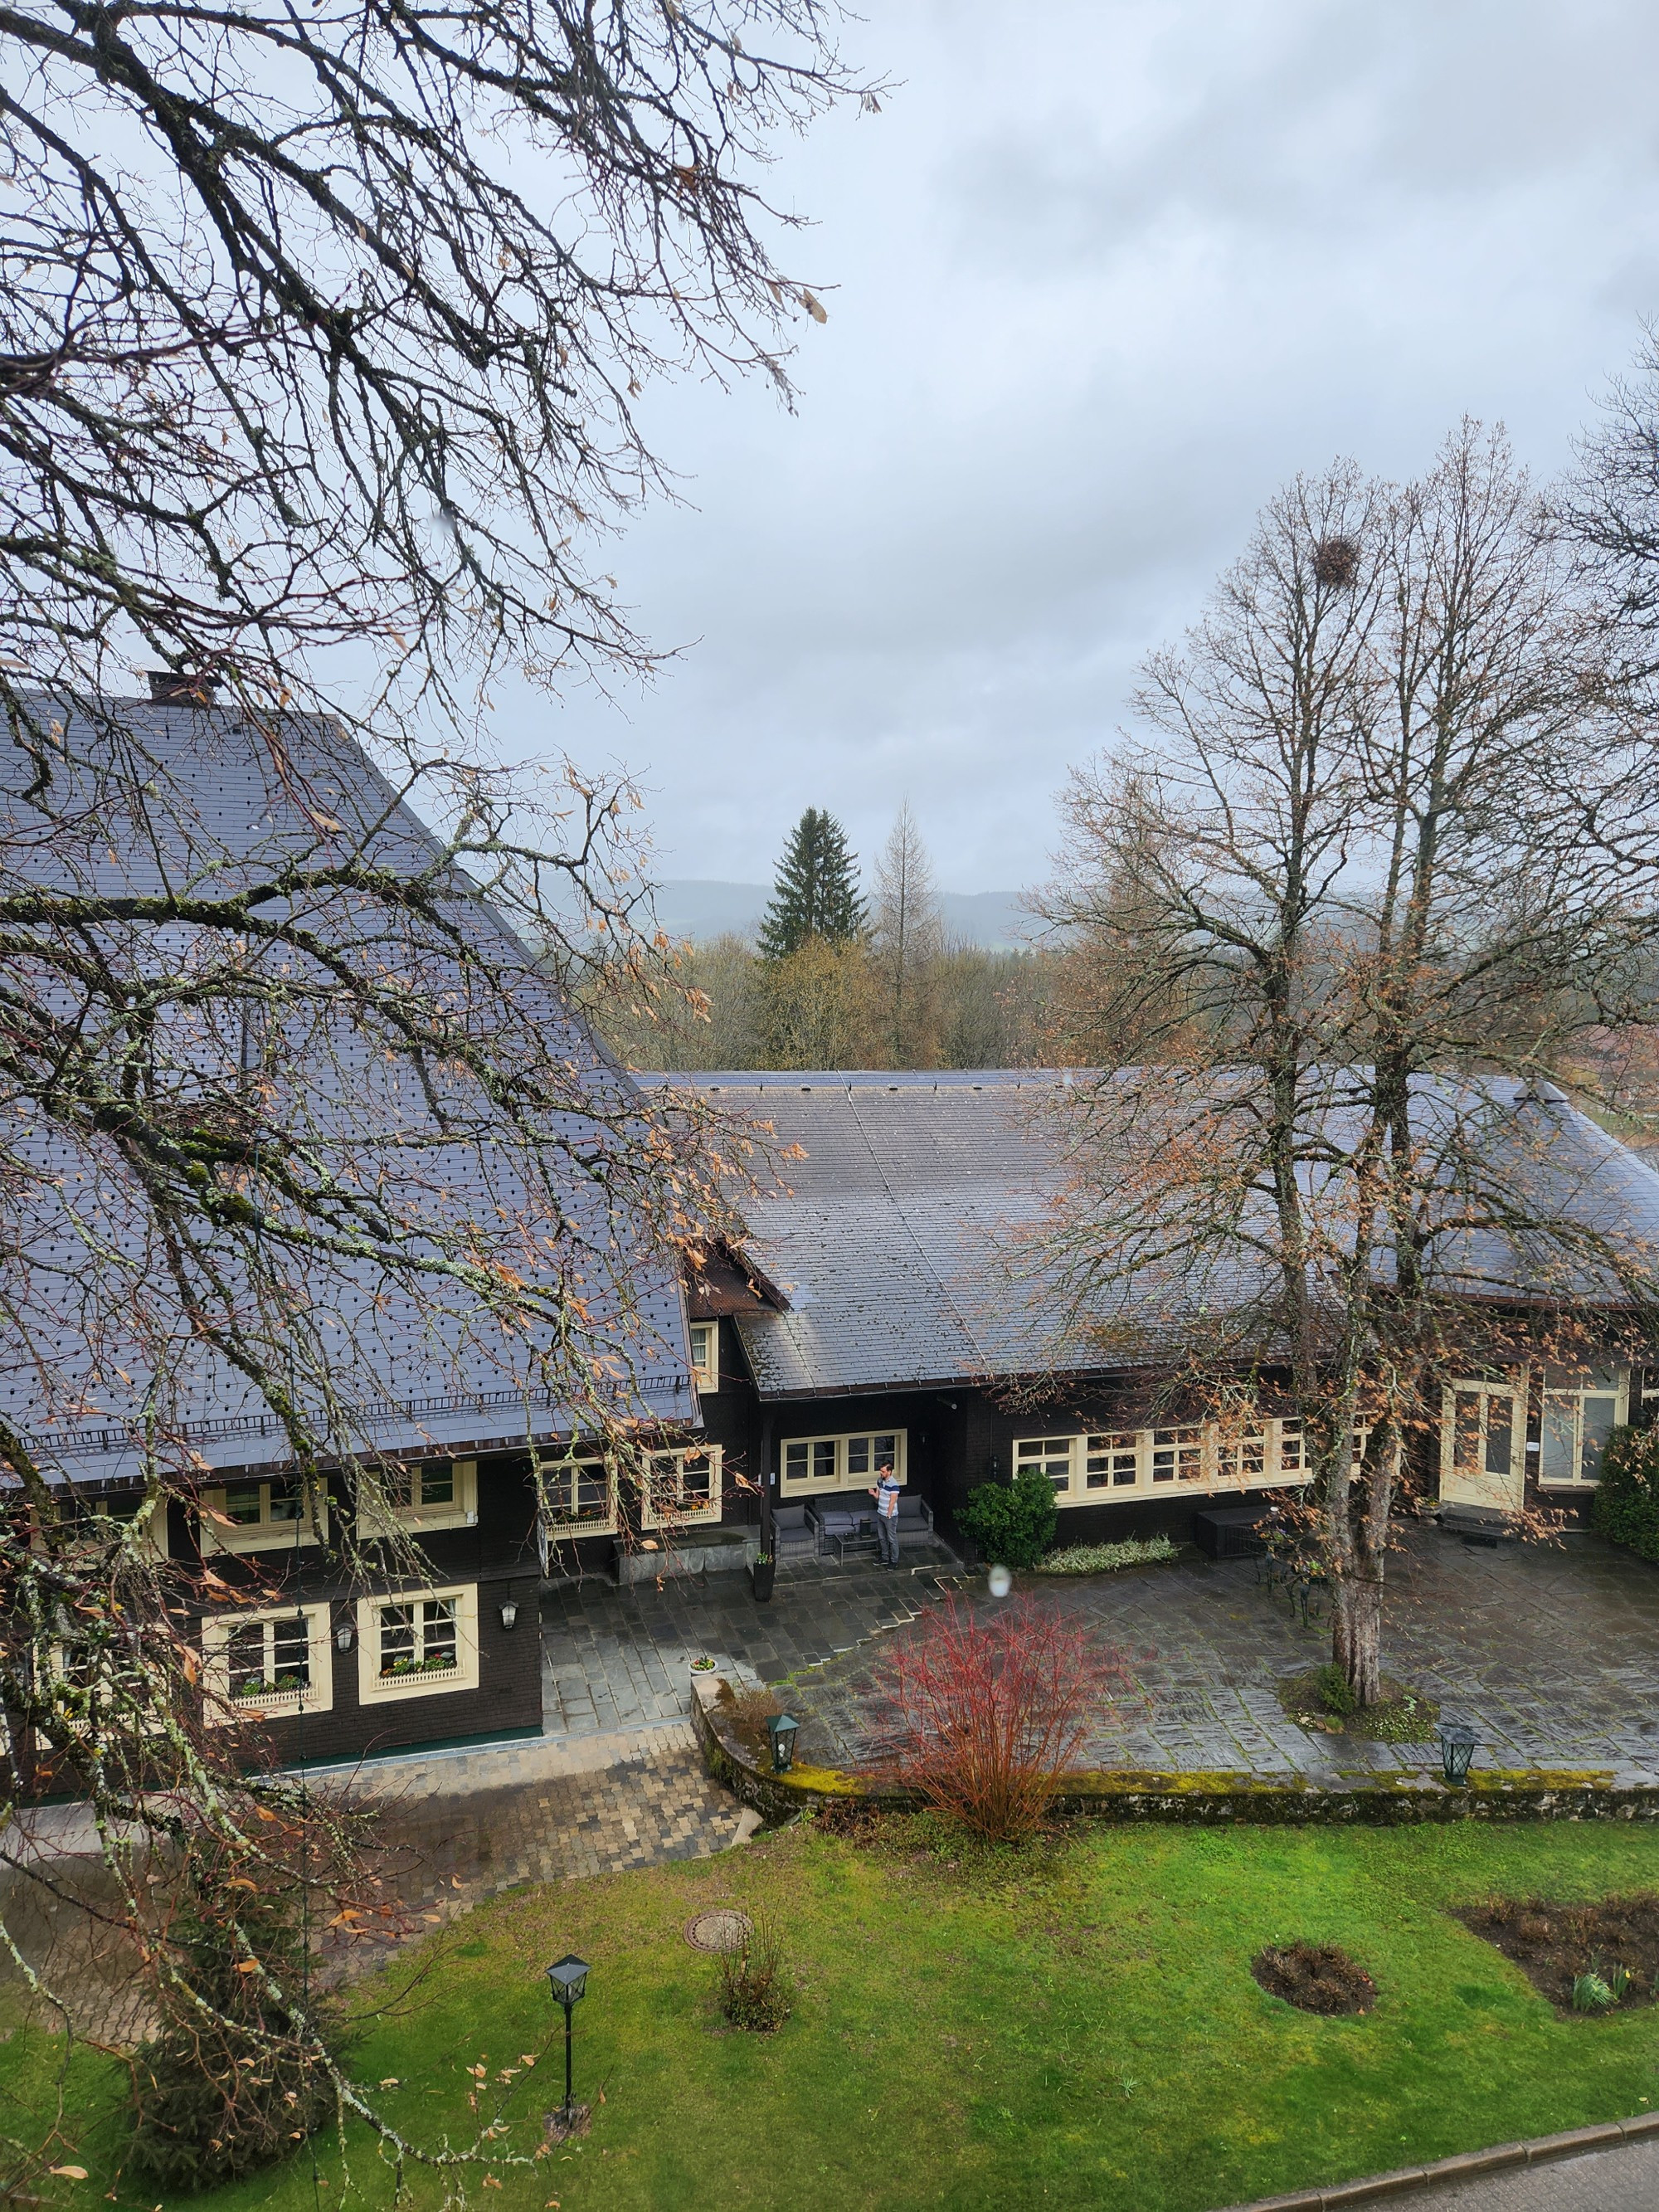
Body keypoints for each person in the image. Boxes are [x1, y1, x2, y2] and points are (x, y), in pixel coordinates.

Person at [869, 1461, 902, 1568]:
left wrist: (889, 1514)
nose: (881, 1473)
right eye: (881, 1471)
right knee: (882, 1537)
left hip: (890, 1516)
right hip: (880, 1513)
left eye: (883, 1471)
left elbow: (892, 1501)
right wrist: (873, 1494)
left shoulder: (894, 1485)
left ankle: (894, 1561)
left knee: (892, 1539)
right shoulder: (880, 1481)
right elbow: (878, 1496)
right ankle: (884, 1557)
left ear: (889, 1472)